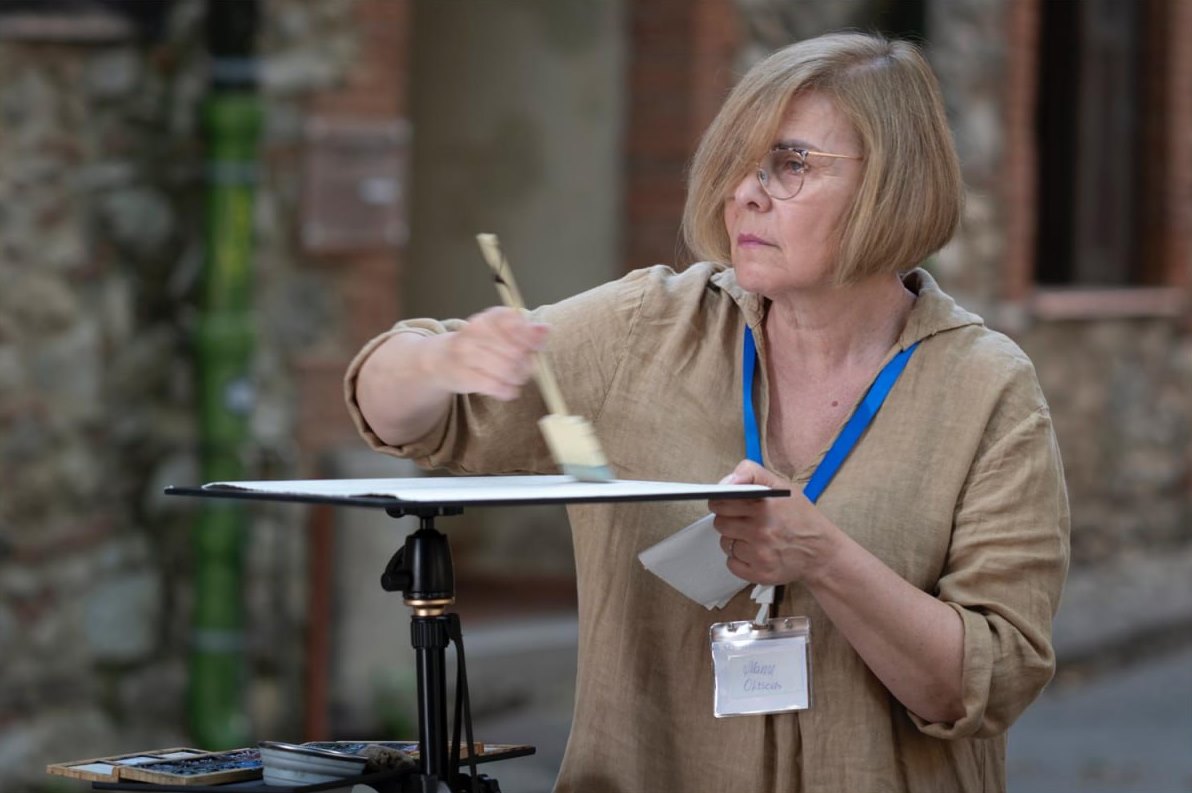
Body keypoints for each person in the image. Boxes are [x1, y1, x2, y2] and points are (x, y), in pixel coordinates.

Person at [345, 31, 1069, 793]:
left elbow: (986, 684)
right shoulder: (648, 328)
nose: (745, 192)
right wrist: (439, 363)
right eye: (737, 163)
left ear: (895, 183)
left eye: (791, 164)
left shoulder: (985, 387)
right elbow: (391, 412)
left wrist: (824, 558)